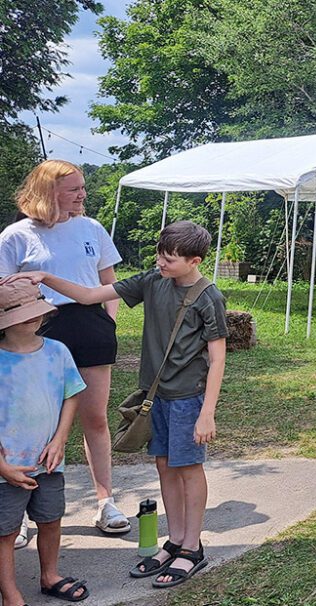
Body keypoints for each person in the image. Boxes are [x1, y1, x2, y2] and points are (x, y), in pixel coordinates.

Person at [4, 221, 228, 588]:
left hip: (189, 398)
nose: (160, 262)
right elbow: (92, 295)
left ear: (194, 260)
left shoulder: (208, 297)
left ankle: (192, 547)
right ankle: (173, 541)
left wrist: (207, 413)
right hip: (155, 397)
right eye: (159, 254)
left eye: (169, 259)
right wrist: (45, 276)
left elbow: (217, 358)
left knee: (188, 469)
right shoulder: (152, 281)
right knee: (164, 466)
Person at [0, 159, 131, 541]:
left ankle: (105, 502)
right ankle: (19, 513)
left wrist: (108, 320)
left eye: (82, 187)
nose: (82, 194)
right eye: (74, 188)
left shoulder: (91, 228)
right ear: (48, 192)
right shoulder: (16, 235)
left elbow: (110, 282)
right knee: (27, 421)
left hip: (90, 326)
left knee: (95, 418)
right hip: (34, 329)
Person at [0, 280, 90, 604]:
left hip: (48, 461)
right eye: (21, 314)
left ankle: (49, 575)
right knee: (5, 531)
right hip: (8, 467)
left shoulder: (57, 352)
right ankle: (10, 593)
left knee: (51, 519)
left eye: (35, 311)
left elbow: (72, 395)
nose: (32, 318)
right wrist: (3, 467)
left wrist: (60, 441)